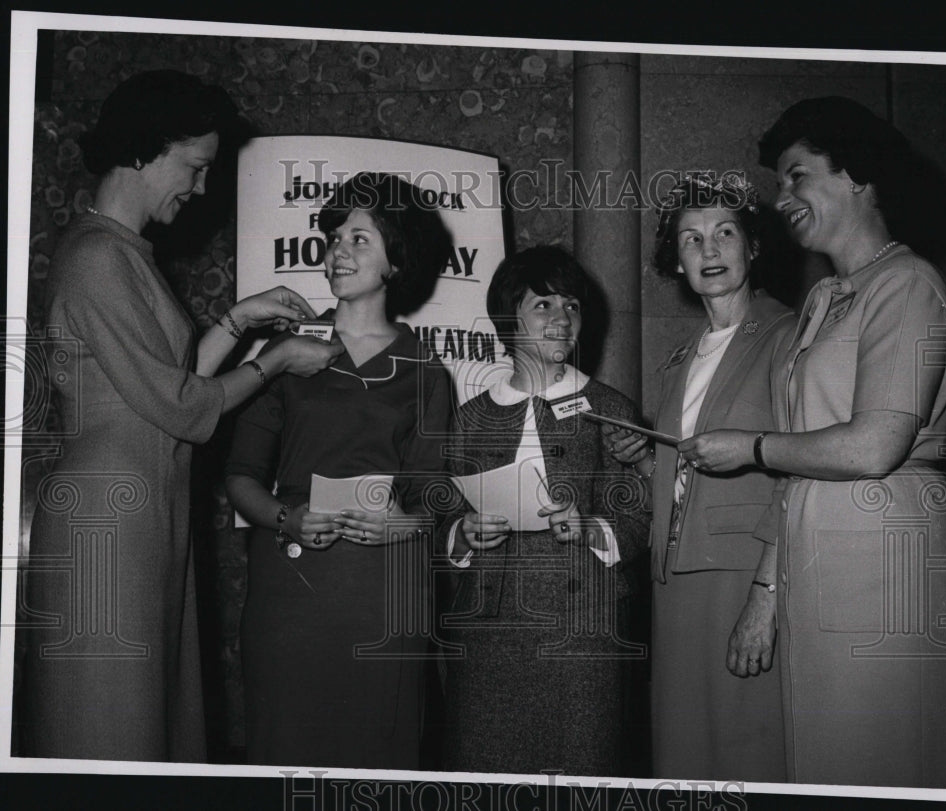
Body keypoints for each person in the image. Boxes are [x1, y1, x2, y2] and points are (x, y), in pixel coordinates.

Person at [20, 70, 343, 762]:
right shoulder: (98, 256)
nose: (199, 189)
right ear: (148, 149)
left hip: (143, 507)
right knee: (105, 723)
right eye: (195, 167)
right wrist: (277, 359)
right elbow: (182, 406)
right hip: (104, 524)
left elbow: (174, 377)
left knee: (148, 721)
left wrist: (238, 318)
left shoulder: (125, 254)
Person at [681, 97, 946, 788]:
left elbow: (873, 445)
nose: (782, 198)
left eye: (797, 175)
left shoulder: (909, 285)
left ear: (857, 177)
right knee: (817, 755)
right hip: (813, 556)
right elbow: (801, 458)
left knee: (881, 756)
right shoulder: (822, 301)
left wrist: (749, 445)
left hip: (884, 552)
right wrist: (765, 593)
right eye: (781, 182)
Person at [224, 172, 454, 769]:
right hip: (292, 594)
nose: (338, 251)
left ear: (395, 261)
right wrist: (286, 517)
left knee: (379, 758)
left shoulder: (427, 372)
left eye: (360, 239)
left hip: (385, 592)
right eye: (334, 238)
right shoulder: (286, 354)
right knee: (287, 754)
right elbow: (241, 476)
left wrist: (402, 525)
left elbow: (434, 495)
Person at [604, 174, 793, 781]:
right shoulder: (680, 358)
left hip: (746, 576)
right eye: (691, 239)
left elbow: (806, 476)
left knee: (749, 751)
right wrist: (642, 458)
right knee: (684, 755)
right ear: (677, 261)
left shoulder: (791, 336)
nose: (709, 251)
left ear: (752, 246)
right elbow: (686, 479)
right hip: (675, 582)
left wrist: (765, 601)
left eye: (724, 233)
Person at [439, 246, 650, 776]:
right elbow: (442, 511)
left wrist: (592, 528)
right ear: (509, 319)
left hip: (584, 631)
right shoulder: (470, 416)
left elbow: (639, 515)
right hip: (490, 633)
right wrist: (462, 533)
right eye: (544, 305)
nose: (561, 319)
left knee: (582, 769)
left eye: (573, 306)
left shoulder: (612, 409)